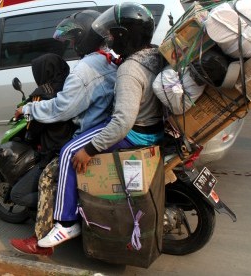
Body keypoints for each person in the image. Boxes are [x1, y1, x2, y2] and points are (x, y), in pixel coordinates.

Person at [37, 2, 166, 248]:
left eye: (114, 34)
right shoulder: (153, 54)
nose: (109, 38)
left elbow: (122, 122)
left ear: (126, 37)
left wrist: (90, 149)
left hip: (134, 133)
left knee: (68, 153)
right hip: (152, 129)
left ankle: (65, 224)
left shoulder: (129, 69)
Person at [10, 9, 118, 256]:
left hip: (87, 132)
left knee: (49, 177)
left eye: (72, 39)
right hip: (102, 126)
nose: (71, 44)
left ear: (85, 37)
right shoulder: (108, 58)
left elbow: (61, 109)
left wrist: (29, 108)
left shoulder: (84, 69)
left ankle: (41, 240)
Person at [9, 53, 76, 210]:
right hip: (71, 145)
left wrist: (27, 135)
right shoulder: (69, 88)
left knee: (17, 195)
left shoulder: (41, 93)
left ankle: (61, 200)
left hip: (52, 153)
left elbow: (33, 127)